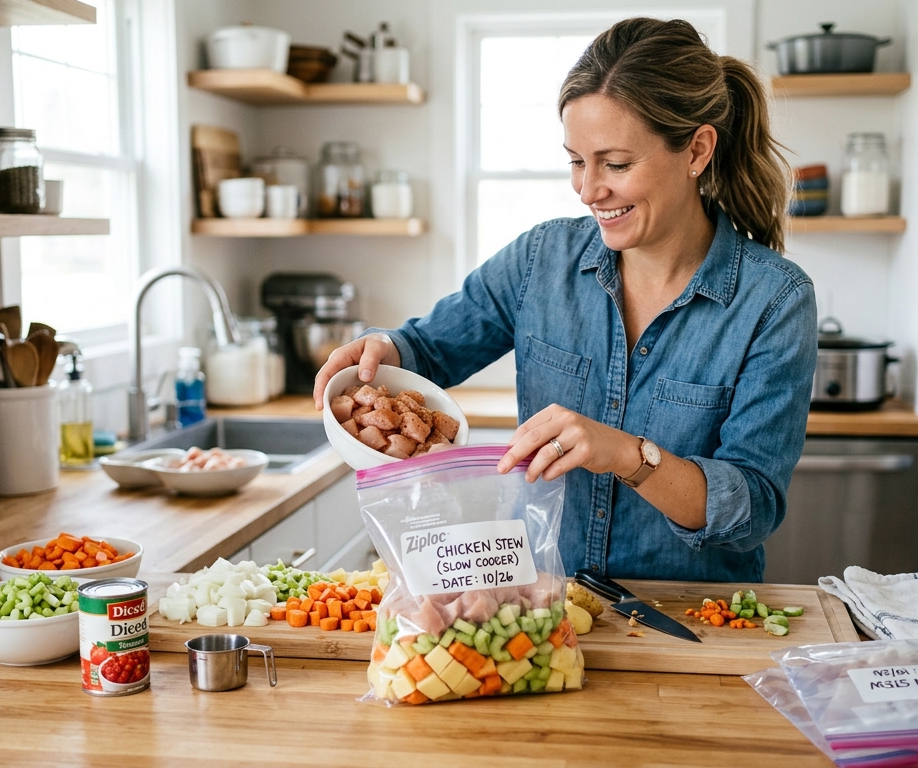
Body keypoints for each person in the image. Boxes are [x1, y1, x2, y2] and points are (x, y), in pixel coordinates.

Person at [313, 17, 816, 583]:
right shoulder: (540, 259)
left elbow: (750, 509)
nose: (587, 189)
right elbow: (427, 348)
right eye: (576, 160)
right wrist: (382, 348)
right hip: (542, 606)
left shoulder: (774, 300)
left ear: (697, 149)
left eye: (616, 164)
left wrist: (627, 454)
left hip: (691, 620)